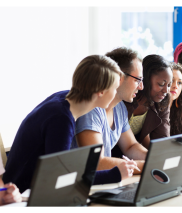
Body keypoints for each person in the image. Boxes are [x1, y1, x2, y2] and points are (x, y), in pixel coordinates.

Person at [3, 55, 137, 193]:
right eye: (115, 88)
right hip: (23, 193)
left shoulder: (63, 99)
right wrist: (113, 175)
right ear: (101, 92)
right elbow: (60, 177)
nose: (115, 93)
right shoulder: (61, 120)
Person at [73, 47, 148, 173]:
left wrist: (155, 160)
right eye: (137, 80)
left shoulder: (120, 107)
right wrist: (148, 167)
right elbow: (96, 162)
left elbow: (130, 146)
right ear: (119, 77)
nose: (141, 87)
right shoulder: (92, 109)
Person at [121, 54, 173, 150]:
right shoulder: (126, 98)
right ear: (145, 79)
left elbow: (162, 142)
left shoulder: (162, 101)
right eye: (161, 84)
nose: (166, 90)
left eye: (169, 85)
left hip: (134, 155)